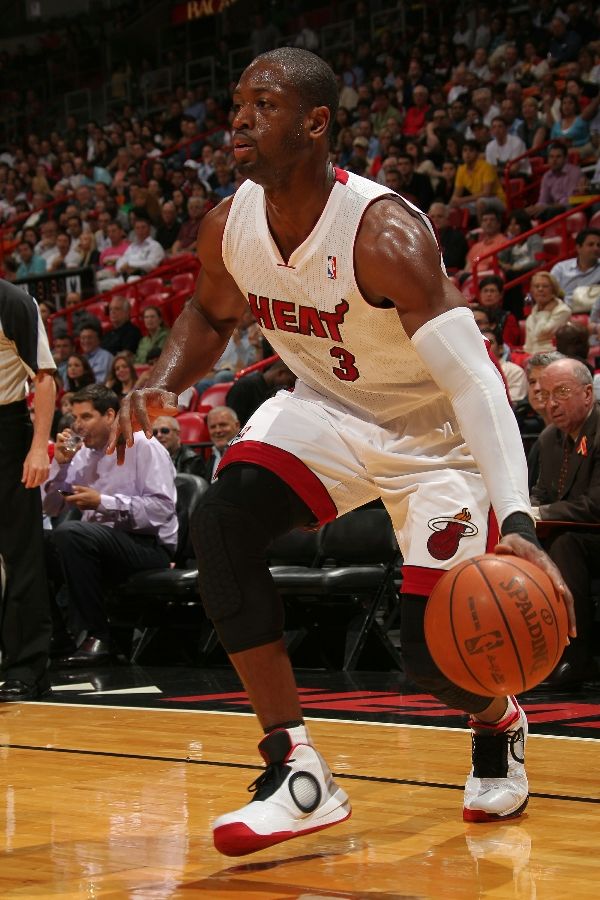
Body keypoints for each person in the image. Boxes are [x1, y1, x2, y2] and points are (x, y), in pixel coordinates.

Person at [110, 49, 573, 857]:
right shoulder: (231, 225)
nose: (240, 120)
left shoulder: (384, 234)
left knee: (439, 662)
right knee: (222, 522)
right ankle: (297, 767)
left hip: (439, 441)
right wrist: (163, 383)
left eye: (264, 104)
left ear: (316, 123)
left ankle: (497, 721)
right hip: (331, 411)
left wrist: (519, 517)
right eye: (237, 103)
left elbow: (477, 388)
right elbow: (209, 316)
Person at [43, 384, 177, 666]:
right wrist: (59, 465)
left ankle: (97, 636)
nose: (78, 425)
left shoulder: (144, 446)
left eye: (86, 417)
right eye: (75, 418)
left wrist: (102, 502)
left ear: (110, 415)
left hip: (147, 547)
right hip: (95, 545)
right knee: (36, 544)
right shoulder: (79, 454)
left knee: (72, 533)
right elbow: (50, 507)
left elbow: (162, 510)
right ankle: (57, 635)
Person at [0, 279, 55, 701]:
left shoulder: (13, 301)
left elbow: (45, 377)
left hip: (7, 433)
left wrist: (38, 448)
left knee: (22, 555)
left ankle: (26, 667)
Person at [530, 358, 600, 688]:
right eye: (545, 395)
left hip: (591, 533)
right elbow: (541, 494)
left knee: (564, 543)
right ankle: (527, 651)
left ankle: (577, 656)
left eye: (561, 392)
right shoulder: (548, 438)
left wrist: (542, 515)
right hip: (572, 531)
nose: (552, 403)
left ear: (588, 393)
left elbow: (597, 505)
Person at [225, 358, 296, 426]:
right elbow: (233, 420)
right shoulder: (243, 386)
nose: (288, 386)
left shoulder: (274, 392)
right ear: (280, 373)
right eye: (289, 382)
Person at [526, 143, 583, 220]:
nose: (554, 160)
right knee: (522, 214)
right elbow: (543, 200)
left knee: (548, 212)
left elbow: (570, 200)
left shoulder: (574, 172)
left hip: (569, 209)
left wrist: (546, 207)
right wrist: (535, 208)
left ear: (565, 158)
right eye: (551, 157)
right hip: (552, 209)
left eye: (558, 156)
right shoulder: (547, 176)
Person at [523, 271, 572, 354]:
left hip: (553, 356)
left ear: (553, 290)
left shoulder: (563, 311)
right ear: (532, 291)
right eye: (536, 286)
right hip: (532, 358)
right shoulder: (531, 316)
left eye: (545, 286)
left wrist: (545, 312)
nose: (540, 289)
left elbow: (542, 333)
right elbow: (528, 347)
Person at [550, 228, 600, 307]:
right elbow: (549, 293)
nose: (596, 248)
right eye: (591, 244)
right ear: (578, 248)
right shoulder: (560, 268)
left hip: (591, 312)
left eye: (599, 245)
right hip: (562, 311)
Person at [483, 328, 527, 405]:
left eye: (489, 342)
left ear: (500, 349)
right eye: (479, 343)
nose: (484, 346)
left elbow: (512, 405)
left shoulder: (514, 371)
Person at [427, 202, 468, 271]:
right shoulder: (425, 236)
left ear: (447, 219)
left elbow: (452, 262)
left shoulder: (457, 237)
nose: (435, 220)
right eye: (432, 217)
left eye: (440, 216)